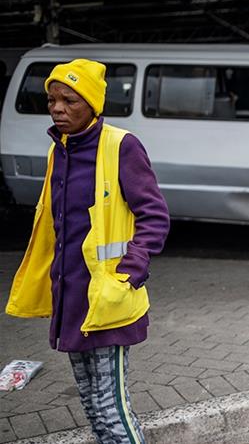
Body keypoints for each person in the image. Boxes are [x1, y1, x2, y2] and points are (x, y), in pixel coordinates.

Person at [5, 59, 170, 443]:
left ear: (92, 104)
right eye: (51, 100)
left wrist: (130, 271)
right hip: (72, 297)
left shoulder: (121, 146)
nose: (58, 108)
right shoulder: (58, 151)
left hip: (108, 296)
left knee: (112, 407)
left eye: (69, 100)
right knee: (92, 404)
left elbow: (155, 215)